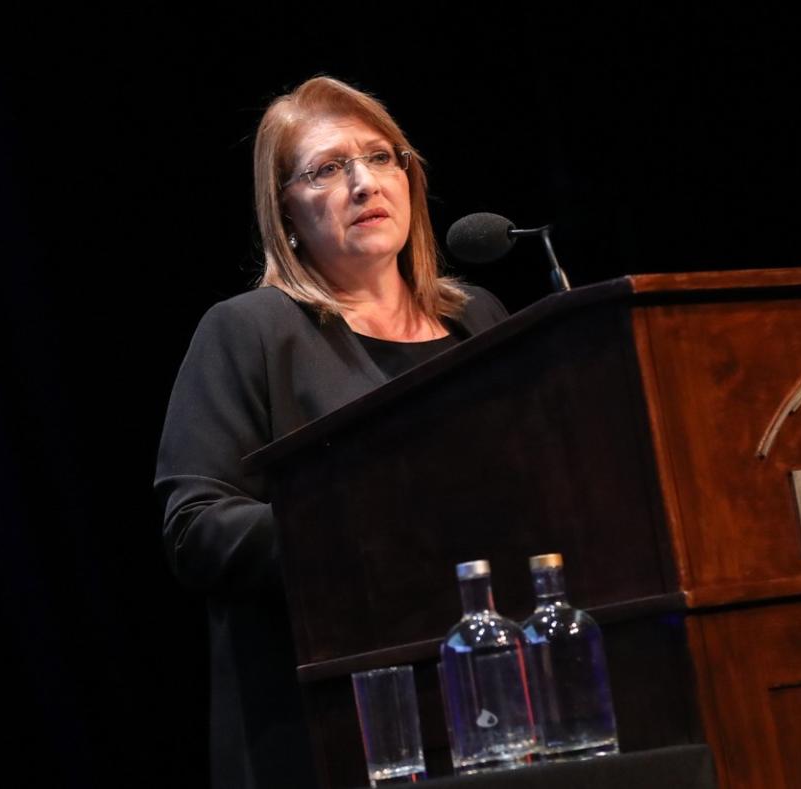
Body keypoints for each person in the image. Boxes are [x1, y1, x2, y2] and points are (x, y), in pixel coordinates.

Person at [154, 76, 511, 787]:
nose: (363, 182)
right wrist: (359, 529)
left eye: (382, 157)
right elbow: (195, 524)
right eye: (327, 168)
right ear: (285, 211)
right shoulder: (251, 331)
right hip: (337, 725)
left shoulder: (478, 318)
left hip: (496, 695)